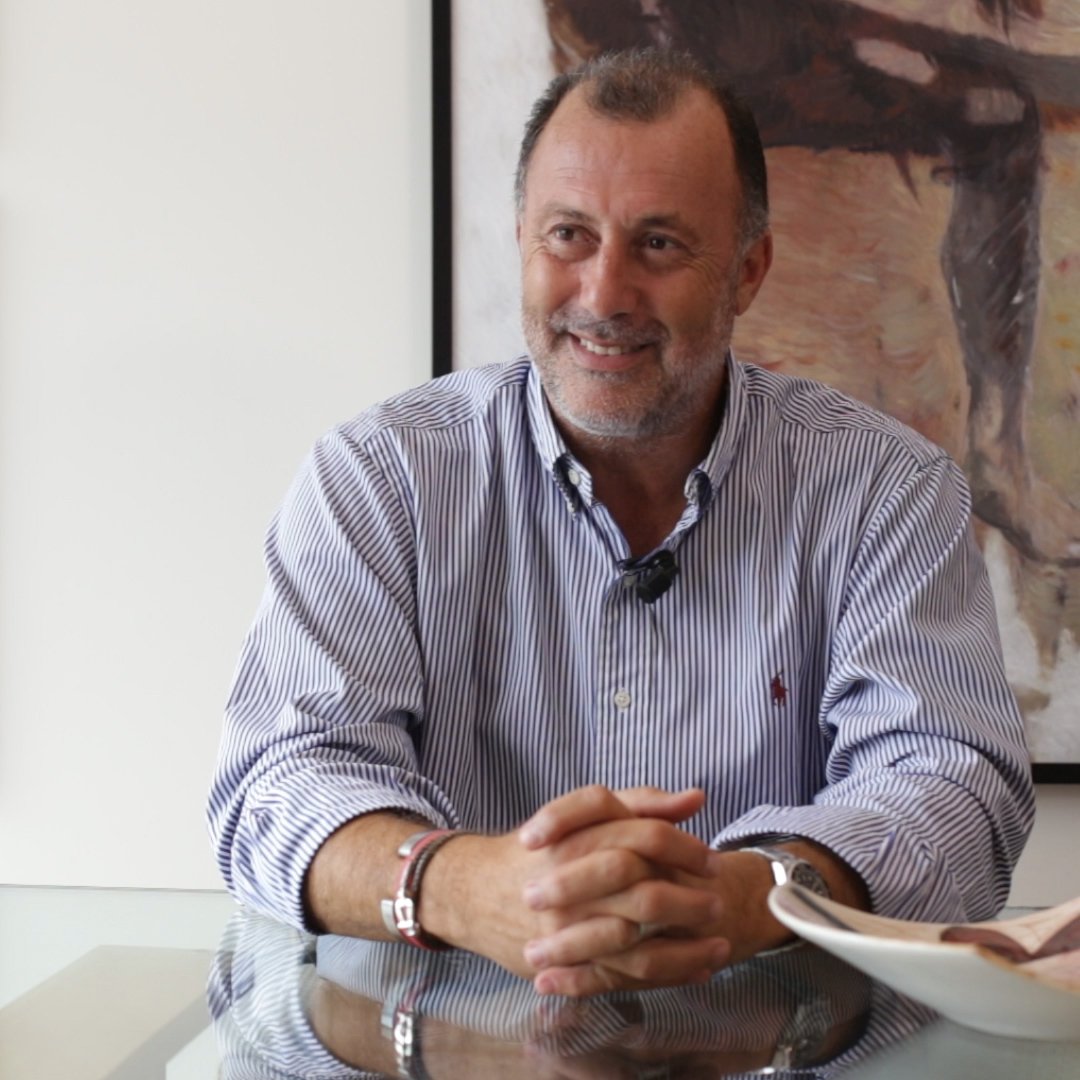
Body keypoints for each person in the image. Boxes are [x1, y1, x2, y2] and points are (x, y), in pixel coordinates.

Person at [207, 48, 1034, 998]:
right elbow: (277, 785)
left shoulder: (886, 489)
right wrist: (468, 888)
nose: (602, 297)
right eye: (569, 235)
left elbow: (955, 787)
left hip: (786, 1043)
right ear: (522, 239)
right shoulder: (379, 477)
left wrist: (756, 894)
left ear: (748, 270)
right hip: (442, 1044)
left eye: (660, 244)